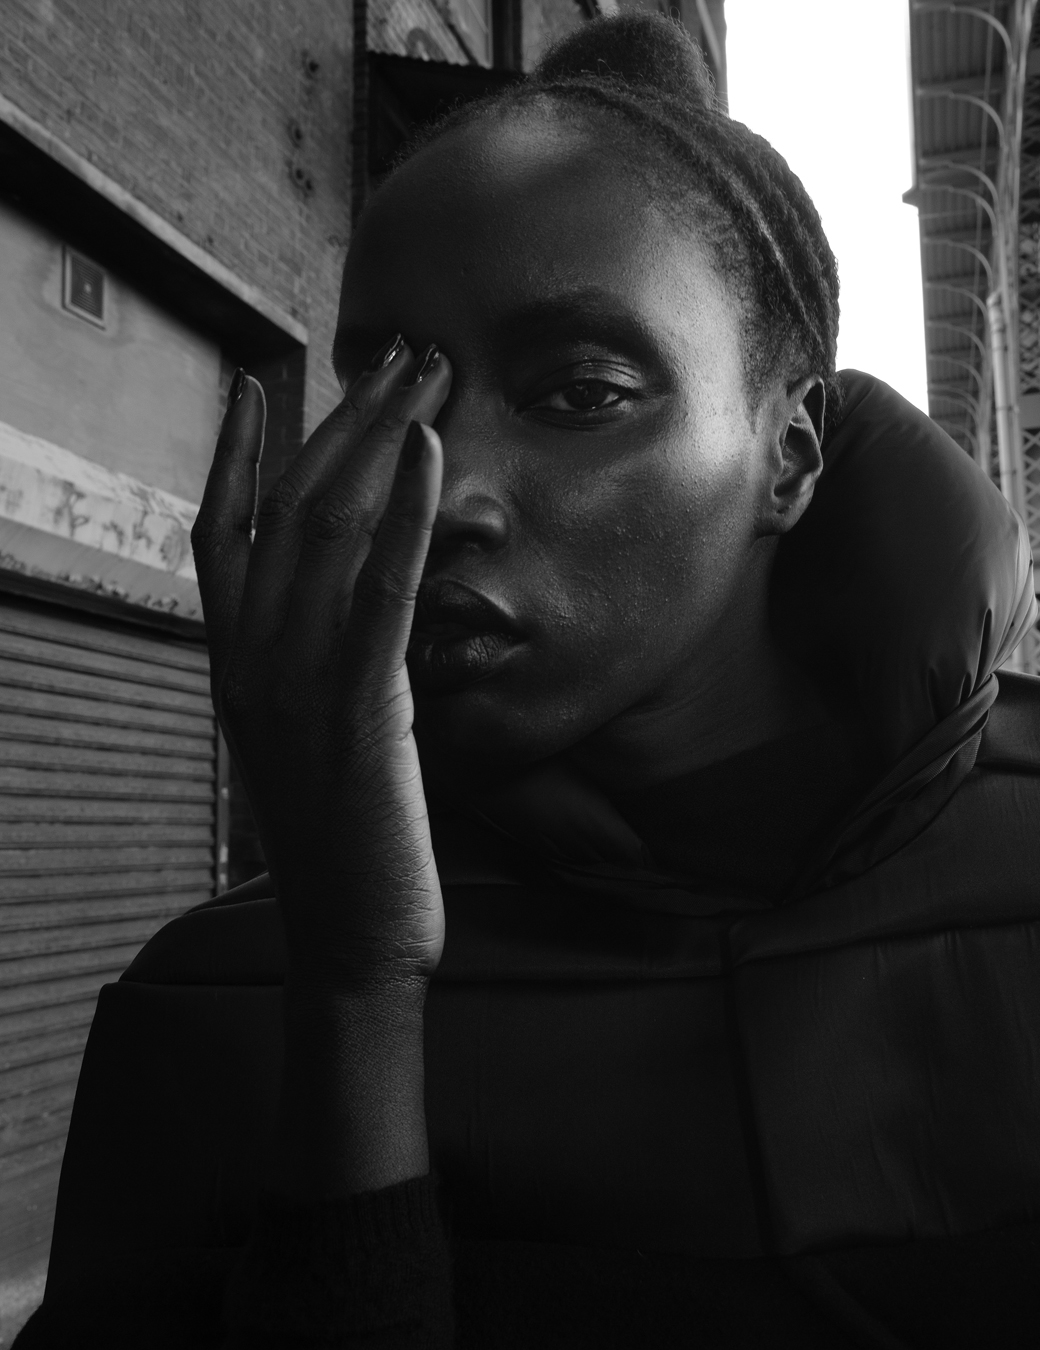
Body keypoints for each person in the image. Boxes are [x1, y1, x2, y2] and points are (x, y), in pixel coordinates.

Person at [17, 13, 1040, 1350]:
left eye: (579, 392)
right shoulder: (224, 994)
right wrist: (354, 989)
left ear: (787, 456)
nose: (440, 491)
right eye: (389, 384)